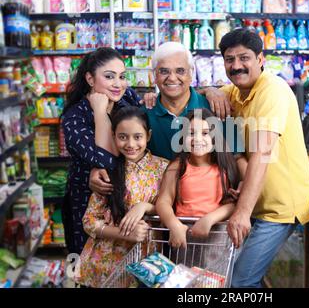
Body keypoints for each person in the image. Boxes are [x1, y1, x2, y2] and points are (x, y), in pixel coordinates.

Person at [203, 28, 309, 288]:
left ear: (260, 59)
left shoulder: (271, 90)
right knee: (235, 277)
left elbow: (263, 152)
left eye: (244, 58)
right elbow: (198, 94)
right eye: (229, 59)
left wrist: (241, 212)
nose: (237, 66)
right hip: (256, 204)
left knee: (240, 282)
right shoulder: (234, 92)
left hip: (279, 208)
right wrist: (210, 90)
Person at [89, 42, 246, 196]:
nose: (172, 78)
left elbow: (238, 157)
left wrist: (244, 184)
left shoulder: (218, 108)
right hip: (153, 208)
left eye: (180, 71)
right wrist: (97, 171)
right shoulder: (141, 116)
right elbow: (121, 159)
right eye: (164, 71)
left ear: (191, 73)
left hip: (208, 207)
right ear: (154, 75)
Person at [76, 106, 168, 288]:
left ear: (148, 136)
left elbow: (172, 207)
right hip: (107, 263)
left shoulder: (164, 168)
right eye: (123, 137)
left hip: (148, 263)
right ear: (113, 136)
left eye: (137, 137)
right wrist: (125, 234)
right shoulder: (108, 170)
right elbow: (89, 221)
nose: (131, 144)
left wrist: (145, 206)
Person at [61, 47, 142, 255]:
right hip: (88, 205)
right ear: (90, 79)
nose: (118, 84)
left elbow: (141, 137)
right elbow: (108, 160)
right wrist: (99, 111)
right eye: (109, 76)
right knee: (91, 267)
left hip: (127, 202)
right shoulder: (75, 117)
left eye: (122, 76)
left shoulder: (127, 98)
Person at [156, 108, 245, 249]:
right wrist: (173, 224)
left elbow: (233, 204)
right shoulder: (177, 167)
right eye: (191, 133)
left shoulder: (224, 168)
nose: (197, 139)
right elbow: (163, 201)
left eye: (205, 133)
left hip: (217, 238)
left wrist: (210, 219)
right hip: (183, 237)